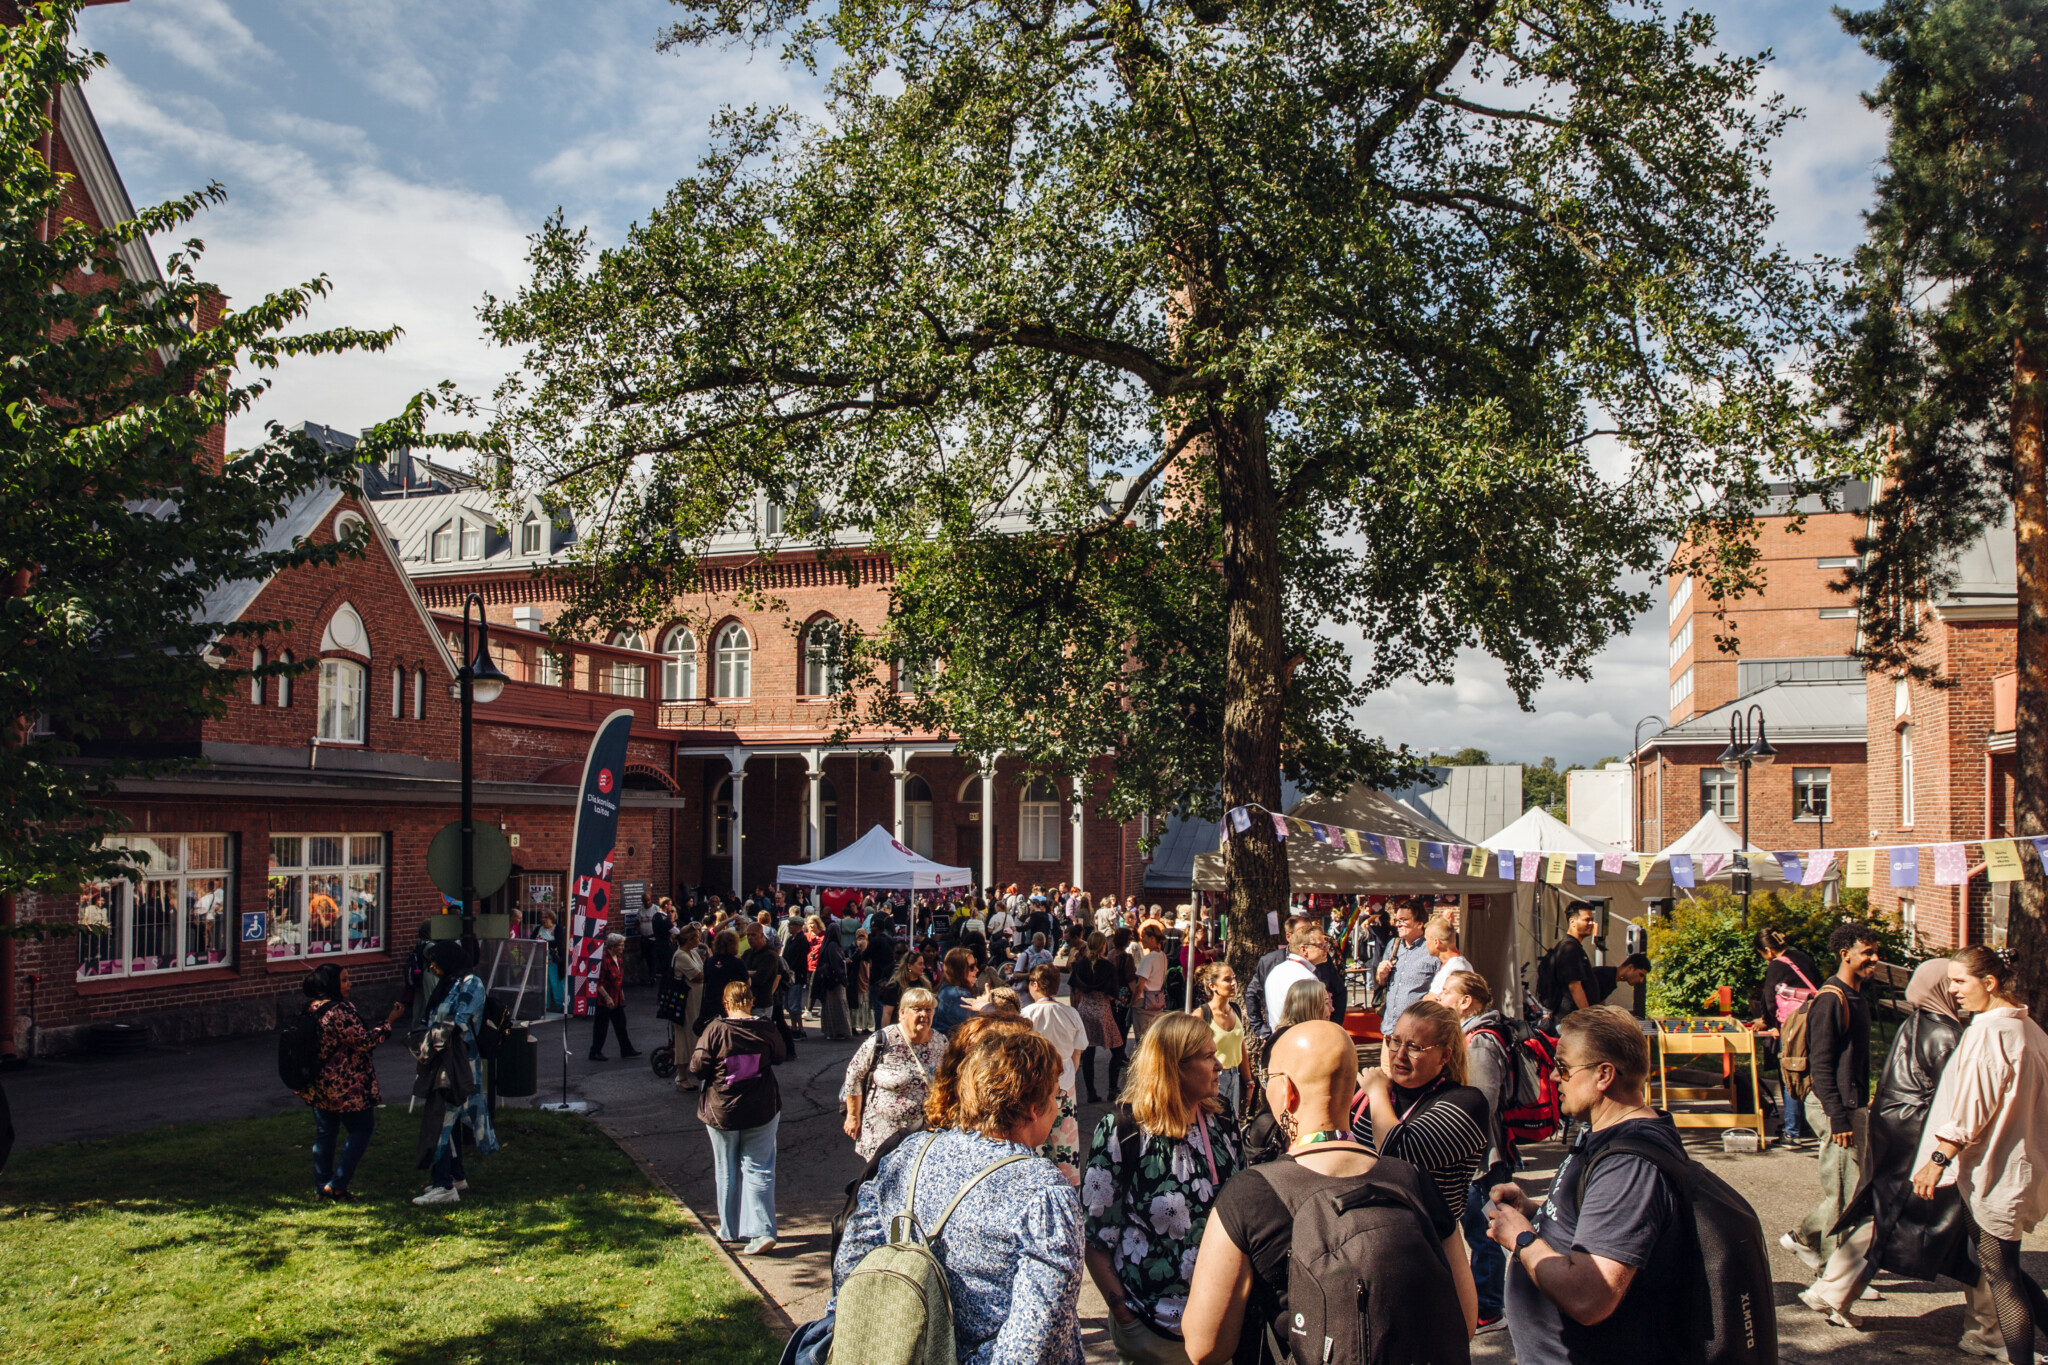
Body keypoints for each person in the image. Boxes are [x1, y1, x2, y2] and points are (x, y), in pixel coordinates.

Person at [1180, 1020, 1477, 1365]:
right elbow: (1465, 1319)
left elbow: (1204, 1346)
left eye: (1268, 1079)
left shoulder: (1251, 1194)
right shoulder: (1413, 1180)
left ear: (1288, 1091)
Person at [833, 1028, 1085, 1365]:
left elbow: (852, 1259)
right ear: (1032, 1109)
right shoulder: (1043, 1192)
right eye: (1054, 1096)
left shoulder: (907, 1154)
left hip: (899, 1351)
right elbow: (1036, 1338)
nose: (1057, 1107)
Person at [1485, 1006, 1686, 1364]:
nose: (1554, 1078)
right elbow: (1593, 1226)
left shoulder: (1627, 1165)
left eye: (1563, 1068)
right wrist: (1534, 1211)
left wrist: (1522, 1239)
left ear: (1603, 1074)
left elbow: (1590, 1296)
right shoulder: (1604, 1135)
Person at [1797, 959, 1974, 1332]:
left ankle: (1833, 1287)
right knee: (1906, 1215)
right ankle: (1990, 1327)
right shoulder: (1945, 1034)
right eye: (1952, 982)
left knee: (1885, 1211)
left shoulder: (1917, 1021)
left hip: (1895, 1127)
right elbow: (1961, 1098)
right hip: (1919, 1136)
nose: (1958, 989)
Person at [1912, 946, 2048, 1365]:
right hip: (2015, 1165)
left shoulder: (1990, 1033)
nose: (1952, 991)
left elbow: (1972, 1109)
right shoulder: (2030, 1030)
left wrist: (1936, 1161)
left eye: (1959, 982)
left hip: (1997, 1170)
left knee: (2002, 1278)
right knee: (1995, 1265)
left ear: (1988, 983)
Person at [1083, 1012, 1244, 1365]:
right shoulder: (1122, 1130)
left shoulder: (1223, 1117)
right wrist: (1126, 1319)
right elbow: (1096, 1237)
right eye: (1207, 1057)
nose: (1219, 1065)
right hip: (1151, 1332)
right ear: (1175, 1067)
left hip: (1223, 1326)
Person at [1784, 920, 1881, 1273]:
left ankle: (1803, 1238)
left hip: (1850, 1104)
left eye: (1874, 951)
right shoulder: (1831, 998)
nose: (1874, 958)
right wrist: (1838, 1117)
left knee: (1849, 1193)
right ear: (1846, 954)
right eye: (1867, 952)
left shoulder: (1856, 995)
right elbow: (1821, 1065)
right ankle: (1832, 1274)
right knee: (1844, 1195)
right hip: (1832, 1106)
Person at [1352, 999, 1491, 1229]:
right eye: (1395, 1042)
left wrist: (1377, 1094)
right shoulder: (1367, 1093)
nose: (1400, 1055)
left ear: (1445, 1056)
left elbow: (1399, 1155)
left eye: (1414, 1047)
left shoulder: (1467, 1102)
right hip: (1364, 1236)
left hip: (1426, 1246)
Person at [1438, 969, 1515, 1333]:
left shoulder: (1481, 1041)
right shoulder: (1470, 1035)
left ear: (1466, 1001)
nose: (1440, 997)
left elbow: (1483, 1102)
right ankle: (1486, 1302)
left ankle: (1490, 1308)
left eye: (1447, 992)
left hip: (1482, 1157)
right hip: (1474, 1152)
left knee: (1483, 1231)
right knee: (1476, 1227)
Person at [690, 979, 790, 1256]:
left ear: (726, 1003)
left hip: (722, 1109)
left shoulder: (715, 1030)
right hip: (761, 1107)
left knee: (726, 1168)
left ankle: (729, 1229)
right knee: (759, 1168)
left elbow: (697, 1066)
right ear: (750, 1001)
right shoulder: (766, 1028)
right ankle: (762, 1230)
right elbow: (781, 1055)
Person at [290, 963, 394, 1201]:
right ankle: (337, 1185)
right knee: (362, 1127)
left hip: (319, 1083)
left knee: (325, 1132)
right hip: (345, 1084)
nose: (349, 984)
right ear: (331, 983)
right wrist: (388, 1022)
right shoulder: (339, 1011)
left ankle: (322, 1186)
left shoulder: (312, 1007)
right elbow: (363, 1041)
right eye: (344, 980)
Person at [415, 941, 498, 1204]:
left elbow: (458, 1022)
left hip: (456, 1060)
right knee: (446, 1119)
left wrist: (429, 1040)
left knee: (442, 1119)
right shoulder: (449, 983)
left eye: (435, 960)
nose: (431, 966)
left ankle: (444, 1184)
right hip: (442, 1059)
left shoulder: (471, 983)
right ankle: (456, 1175)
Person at [840, 986, 946, 1159]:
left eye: (928, 1010)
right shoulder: (883, 1040)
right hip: (884, 1132)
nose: (924, 1015)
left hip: (925, 1133)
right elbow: (854, 1074)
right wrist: (852, 1115)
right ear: (902, 1013)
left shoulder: (940, 1042)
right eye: (917, 1009)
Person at [1754, 927, 1824, 1147]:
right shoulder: (1802, 956)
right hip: (1814, 1021)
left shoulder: (1777, 965)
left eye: (1762, 954)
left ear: (1768, 950)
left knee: (1790, 1073)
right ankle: (1809, 1123)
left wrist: (1768, 1022)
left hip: (1792, 1026)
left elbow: (1769, 999)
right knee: (1809, 1072)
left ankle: (1792, 1132)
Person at [1024, 963, 1089, 1183]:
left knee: (1035, 1136)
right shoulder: (1070, 1013)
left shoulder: (1027, 1014)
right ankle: (1068, 1183)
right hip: (1065, 1082)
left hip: (1035, 1084)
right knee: (1065, 1139)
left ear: (1034, 984)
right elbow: (1077, 1053)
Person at [1068, 931, 1125, 1105]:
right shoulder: (1108, 966)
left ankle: (1091, 1092)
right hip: (1102, 1008)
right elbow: (1113, 992)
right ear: (1103, 946)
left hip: (1085, 1008)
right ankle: (1112, 1089)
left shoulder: (1080, 965)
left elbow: (1073, 986)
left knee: (1089, 1051)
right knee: (1117, 1049)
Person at [1197, 963, 1252, 1118]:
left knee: (1232, 1123)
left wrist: (1248, 1082)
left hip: (1235, 1077)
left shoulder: (1235, 1009)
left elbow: (1240, 1047)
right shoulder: (1202, 1015)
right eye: (1227, 980)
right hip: (1212, 1077)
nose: (1234, 983)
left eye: (1233, 978)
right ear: (1213, 986)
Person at [1536, 902, 1599, 1028]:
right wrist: (1588, 1018)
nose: (1591, 923)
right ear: (1572, 922)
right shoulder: (1570, 948)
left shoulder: (1571, 946)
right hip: (1571, 1021)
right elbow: (1575, 987)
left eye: (1592, 920)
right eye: (1587, 920)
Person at [1375, 901, 1436, 1030]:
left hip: (1417, 1030)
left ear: (1419, 923)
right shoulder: (1393, 945)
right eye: (1397, 920)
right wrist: (1381, 975)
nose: (1397, 924)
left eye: (1403, 920)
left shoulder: (1432, 949)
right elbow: (1381, 982)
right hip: (1390, 1027)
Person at [1261, 924, 1330, 1029]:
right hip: (1299, 1038)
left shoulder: (1277, 970)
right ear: (1304, 949)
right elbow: (1311, 1020)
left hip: (1280, 1037)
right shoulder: (1307, 979)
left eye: (1326, 944)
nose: (1327, 950)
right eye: (1322, 945)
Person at [587, 932, 640, 1061]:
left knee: (621, 1023)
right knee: (601, 1026)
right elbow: (598, 982)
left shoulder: (619, 958)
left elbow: (619, 977)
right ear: (612, 946)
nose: (622, 947)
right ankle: (595, 1051)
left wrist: (621, 992)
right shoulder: (604, 960)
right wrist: (607, 997)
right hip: (605, 998)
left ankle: (626, 1049)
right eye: (620, 945)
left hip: (616, 997)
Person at [743, 921, 794, 1050]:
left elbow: (762, 978)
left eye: (753, 935)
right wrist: (749, 974)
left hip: (764, 1000)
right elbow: (739, 973)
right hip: (749, 1002)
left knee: (762, 1036)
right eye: (748, 935)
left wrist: (747, 974)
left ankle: (784, 1051)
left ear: (761, 935)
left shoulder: (770, 955)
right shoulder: (747, 954)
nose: (750, 938)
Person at [671, 924, 707, 1093]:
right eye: (697, 937)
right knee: (686, 1037)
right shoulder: (681, 956)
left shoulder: (692, 953)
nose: (699, 939)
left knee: (694, 1035)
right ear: (690, 939)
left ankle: (687, 1075)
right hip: (687, 1002)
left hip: (696, 1000)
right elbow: (699, 976)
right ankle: (682, 1077)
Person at [697, 928, 748, 1032]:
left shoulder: (710, 961)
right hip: (731, 1003)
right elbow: (747, 983)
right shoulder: (737, 962)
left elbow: (706, 980)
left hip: (712, 1003)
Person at [1131, 920, 1170, 1041]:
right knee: (1154, 1037)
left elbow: (1140, 985)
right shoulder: (1163, 956)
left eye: (1144, 937)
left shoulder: (1148, 958)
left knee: (1142, 1038)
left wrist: (1133, 1002)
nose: (1142, 940)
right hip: (1157, 999)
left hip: (1144, 1001)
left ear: (1152, 938)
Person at [937, 946, 989, 1034]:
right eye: (971, 967)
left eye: (975, 964)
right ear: (959, 971)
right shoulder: (958, 995)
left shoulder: (947, 988)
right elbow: (978, 1029)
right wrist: (986, 1006)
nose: (977, 969)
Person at [1424, 914, 1476, 999]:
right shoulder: (1455, 964)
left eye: (1426, 939)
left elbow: (1432, 1002)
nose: (1425, 944)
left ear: (1436, 942)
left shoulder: (1455, 968)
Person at [816, 925, 853, 1040]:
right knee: (838, 1007)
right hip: (835, 982)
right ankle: (840, 1031)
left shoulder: (826, 945)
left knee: (830, 1007)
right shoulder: (833, 946)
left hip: (828, 981)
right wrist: (844, 962)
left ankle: (830, 1031)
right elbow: (837, 964)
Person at [784, 915, 815, 1036]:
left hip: (796, 975)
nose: (789, 927)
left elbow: (798, 958)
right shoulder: (790, 939)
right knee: (788, 1004)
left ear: (798, 926)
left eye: (791, 925)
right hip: (789, 975)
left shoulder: (802, 940)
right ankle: (794, 1026)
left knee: (794, 1003)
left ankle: (800, 1028)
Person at [850, 929, 875, 1034]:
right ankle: (854, 1026)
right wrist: (858, 951)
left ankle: (865, 1026)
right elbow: (851, 960)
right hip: (856, 979)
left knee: (867, 1004)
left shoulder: (870, 949)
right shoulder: (853, 947)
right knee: (857, 1004)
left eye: (863, 937)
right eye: (859, 938)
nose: (861, 940)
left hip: (868, 979)